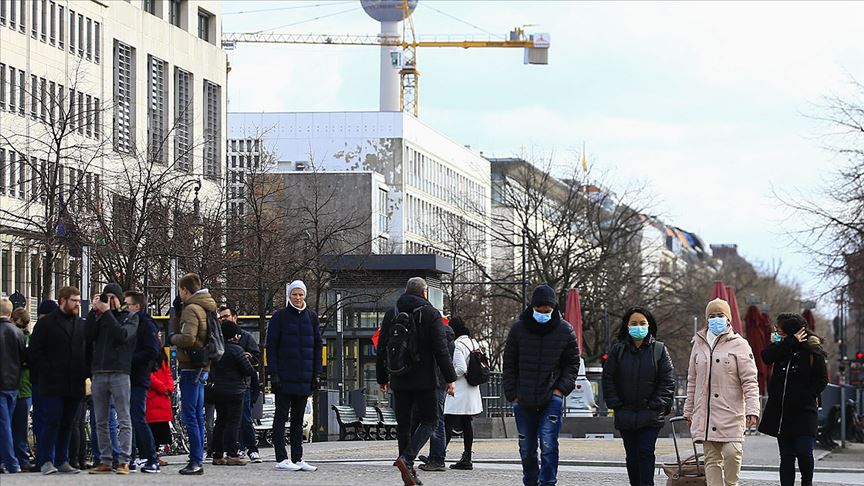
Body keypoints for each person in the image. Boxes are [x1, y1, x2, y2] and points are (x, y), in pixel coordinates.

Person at [376, 277, 457, 486]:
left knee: (404, 424)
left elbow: (382, 346)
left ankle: (409, 472)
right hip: (425, 379)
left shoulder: (392, 313)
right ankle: (408, 458)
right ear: (425, 293)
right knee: (430, 420)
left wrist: (382, 378)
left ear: (406, 292)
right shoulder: (431, 314)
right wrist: (450, 379)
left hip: (399, 377)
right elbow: (441, 350)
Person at [503, 283, 580, 486]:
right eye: (539, 311)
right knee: (526, 448)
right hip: (523, 397)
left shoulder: (565, 330)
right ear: (532, 308)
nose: (543, 314)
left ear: (554, 309)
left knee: (548, 445)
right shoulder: (518, 329)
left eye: (547, 311)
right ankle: (530, 481)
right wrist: (513, 394)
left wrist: (559, 390)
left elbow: (572, 364)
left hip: (551, 398)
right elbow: (509, 363)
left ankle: (547, 482)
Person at [683, 298, 760, 486]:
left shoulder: (740, 344)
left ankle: (731, 484)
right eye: (712, 316)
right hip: (705, 413)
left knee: (732, 452)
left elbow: (750, 381)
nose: (716, 319)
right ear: (706, 319)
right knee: (711, 459)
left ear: (728, 319)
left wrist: (752, 409)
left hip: (731, 411)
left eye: (720, 315)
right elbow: (692, 380)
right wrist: (688, 410)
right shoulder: (698, 343)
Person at [602, 306, 675, 486]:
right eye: (633, 323)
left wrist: (656, 404)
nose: (638, 327)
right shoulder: (618, 351)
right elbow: (608, 379)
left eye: (642, 323)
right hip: (625, 413)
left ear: (649, 325)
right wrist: (616, 404)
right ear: (627, 326)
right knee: (632, 455)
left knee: (646, 452)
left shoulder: (659, 350)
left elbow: (667, 381)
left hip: (650, 414)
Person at [758, 313, 829, 486]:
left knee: (804, 452)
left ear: (790, 331)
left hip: (805, 412)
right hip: (784, 414)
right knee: (787, 457)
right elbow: (766, 356)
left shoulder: (812, 351)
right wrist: (790, 342)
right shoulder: (782, 349)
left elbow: (822, 380)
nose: (775, 333)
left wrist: (806, 396)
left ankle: (807, 482)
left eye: (779, 331)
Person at [28, 287, 89, 475]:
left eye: (79, 301)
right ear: (62, 300)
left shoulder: (80, 324)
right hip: (53, 383)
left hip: (74, 383)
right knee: (51, 421)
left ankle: (62, 460)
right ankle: (46, 459)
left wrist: (86, 372)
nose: (77, 304)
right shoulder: (46, 324)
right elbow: (35, 353)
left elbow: (87, 351)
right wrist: (48, 371)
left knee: (68, 423)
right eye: (74, 301)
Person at [267, 280, 322, 473]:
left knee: (299, 419)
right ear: (289, 296)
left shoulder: (312, 318)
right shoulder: (279, 317)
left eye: (300, 295)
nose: (297, 298)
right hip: (284, 376)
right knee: (281, 417)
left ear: (305, 295)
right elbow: (271, 347)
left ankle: (298, 458)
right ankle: (281, 457)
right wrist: (273, 374)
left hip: (304, 377)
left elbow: (317, 347)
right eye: (294, 294)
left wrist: (317, 374)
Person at [86, 283, 138, 475]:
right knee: (100, 420)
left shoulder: (130, 318)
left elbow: (122, 336)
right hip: (99, 372)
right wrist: (93, 312)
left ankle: (124, 460)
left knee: (123, 418)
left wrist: (107, 313)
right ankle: (105, 459)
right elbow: (88, 335)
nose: (108, 302)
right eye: (105, 298)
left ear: (119, 299)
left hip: (120, 372)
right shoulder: (99, 318)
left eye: (111, 298)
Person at [170, 273, 217, 476]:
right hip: (203, 366)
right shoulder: (206, 307)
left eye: (180, 290)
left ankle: (195, 460)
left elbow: (188, 337)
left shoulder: (191, 308)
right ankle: (198, 457)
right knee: (198, 415)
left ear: (184, 290)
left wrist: (173, 337)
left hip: (191, 366)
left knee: (190, 415)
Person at [219, 305, 262, 463]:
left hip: (242, 385)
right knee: (226, 419)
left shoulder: (246, 337)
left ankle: (252, 449)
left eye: (226, 316)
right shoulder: (220, 338)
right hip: (226, 385)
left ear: (234, 317)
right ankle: (234, 448)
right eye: (221, 317)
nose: (223, 319)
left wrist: (248, 357)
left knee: (244, 417)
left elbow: (256, 358)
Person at [210, 320, 256, 466]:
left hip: (218, 390)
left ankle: (217, 454)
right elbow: (248, 370)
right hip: (235, 391)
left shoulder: (217, 349)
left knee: (220, 422)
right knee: (233, 422)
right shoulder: (237, 350)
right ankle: (232, 453)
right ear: (234, 335)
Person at [125, 290, 161, 473]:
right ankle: (132, 457)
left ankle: (151, 456)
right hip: (132, 375)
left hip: (138, 376)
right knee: (130, 417)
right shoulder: (134, 322)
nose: (126, 308)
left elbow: (152, 350)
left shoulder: (145, 324)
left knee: (137, 417)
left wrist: (129, 359)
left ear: (136, 306)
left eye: (128, 304)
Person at [443, 317, 484, 471]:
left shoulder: (458, 345)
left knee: (448, 421)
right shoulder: (473, 343)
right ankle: (467, 457)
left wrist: (448, 377)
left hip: (459, 390)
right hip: (472, 389)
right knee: (467, 422)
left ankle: (439, 455)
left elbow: (461, 368)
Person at [416, 316, 455, 472]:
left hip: (434, 382)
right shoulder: (449, 339)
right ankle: (436, 455)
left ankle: (437, 458)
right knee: (438, 419)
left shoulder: (437, 338)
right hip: (441, 382)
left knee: (436, 421)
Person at [28, 299, 58, 472]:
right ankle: (58, 458)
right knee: (56, 420)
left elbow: (33, 354)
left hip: (39, 381)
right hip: (55, 382)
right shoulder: (61, 328)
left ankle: (44, 458)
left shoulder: (39, 330)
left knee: (42, 421)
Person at [0, 298, 26, 474]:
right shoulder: (17, 333)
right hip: (13, 384)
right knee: (6, 423)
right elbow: (23, 358)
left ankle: (10, 462)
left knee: (4, 425)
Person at [10, 307, 33, 471]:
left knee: (12, 426)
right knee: (20, 427)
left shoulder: (20, 338)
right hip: (24, 388)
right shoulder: (28, 338)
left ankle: (16, 458)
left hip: (19, 387)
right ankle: (21, 458)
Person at [146, 348, 174, 466]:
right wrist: (167, 388)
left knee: (156, 430)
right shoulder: (159, 355)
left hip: (158, 397)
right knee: (154, 429)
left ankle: (155, 455)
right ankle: (153, 456)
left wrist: (167, 388)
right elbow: (152, 376)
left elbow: (167, 373)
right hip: (156, 396)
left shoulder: (160, 356)